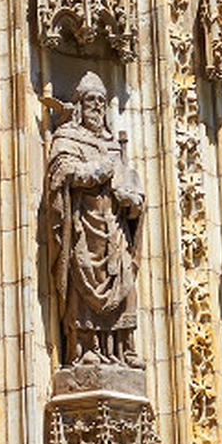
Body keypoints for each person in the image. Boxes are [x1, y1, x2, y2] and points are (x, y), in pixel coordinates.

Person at [41, 75, 145, 369]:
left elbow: (128, 182)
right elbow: (61, 175)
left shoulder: (113, 144)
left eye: (101, 101)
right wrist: (97, 172)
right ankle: (85, 346)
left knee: (123, 280)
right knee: (83, 283)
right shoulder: (66, 139)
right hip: (83, 226)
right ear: (78, 105)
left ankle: (124, 347)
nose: (96, 106)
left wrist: (133, 202)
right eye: (91, 100)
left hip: (114, 226)